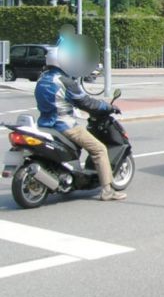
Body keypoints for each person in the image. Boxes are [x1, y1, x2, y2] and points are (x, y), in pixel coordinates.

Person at [35, 43, 125, 201]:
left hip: (43, 124)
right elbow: (86, 102)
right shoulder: (64, 81)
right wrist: (107, 107)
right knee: (99, 150)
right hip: (64, 125)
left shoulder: (42, 79)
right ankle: (107, 191)